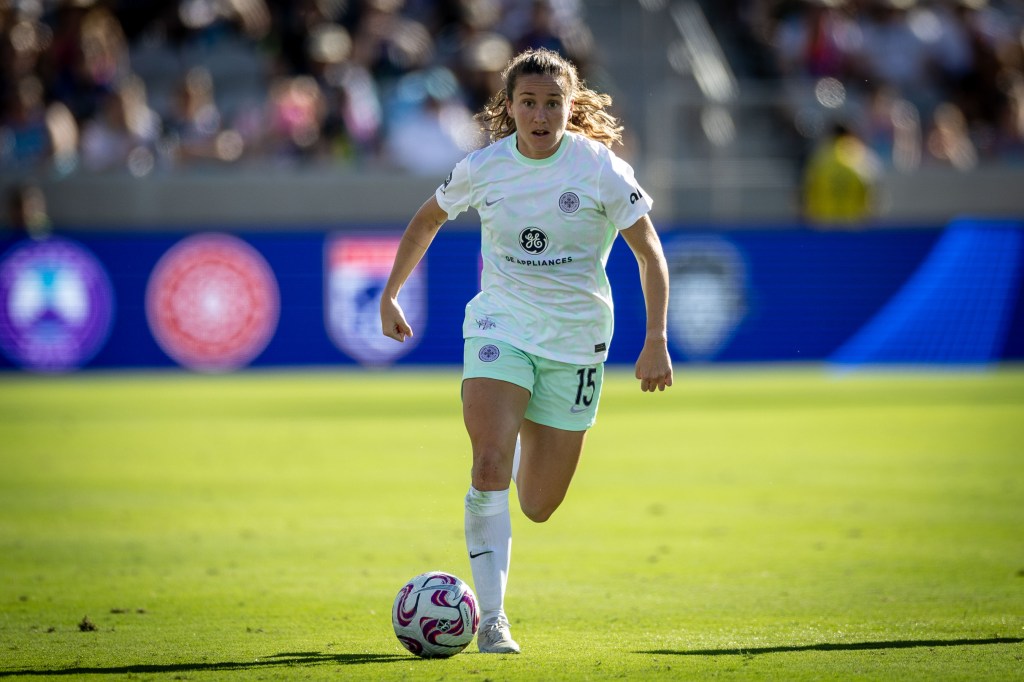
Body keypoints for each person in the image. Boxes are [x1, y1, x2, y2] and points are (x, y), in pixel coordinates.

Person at [379, 47, 673, 654]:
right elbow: (426, 220)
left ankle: (513, 441)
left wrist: (655, 339)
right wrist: (390, 293)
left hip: (575, 343)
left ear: (570, 105)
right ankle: (492, 619)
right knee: (489, 465)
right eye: (529, 102)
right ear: (509, 107)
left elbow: (650, 253)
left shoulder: (600, 169)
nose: (540, 115)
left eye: (552, 103)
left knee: (538, 505)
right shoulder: (484, 167)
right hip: (501, 327)